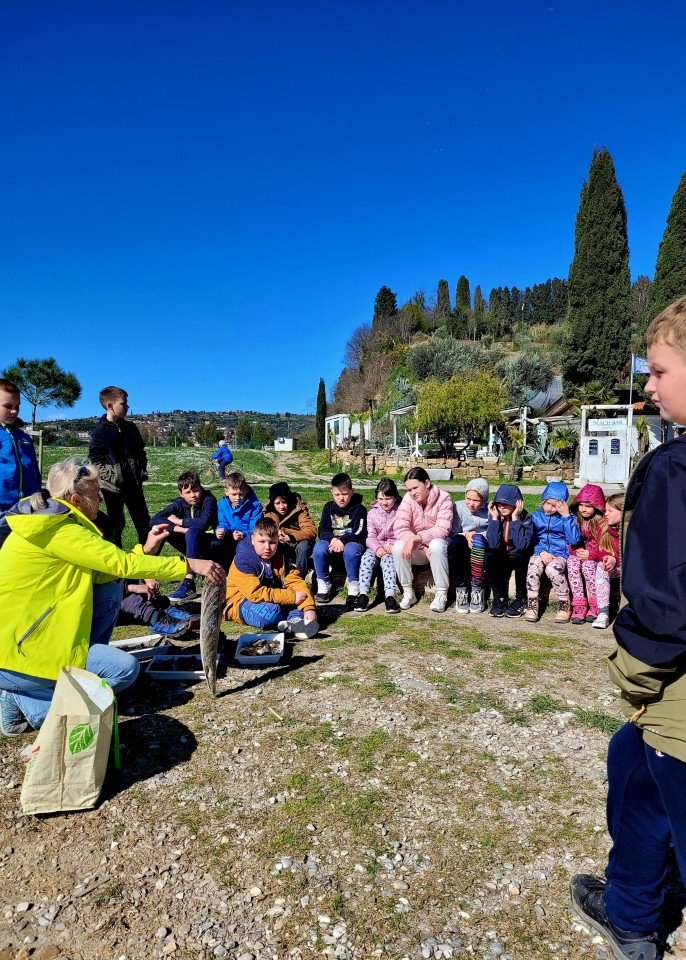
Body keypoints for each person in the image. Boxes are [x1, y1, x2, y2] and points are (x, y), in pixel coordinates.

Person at [570, 297, 686, 960]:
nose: (647, 384)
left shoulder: (675, 470)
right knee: (628, 762)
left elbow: (668, 608)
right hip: (664, 717)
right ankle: (632, 913)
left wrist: (631, 673)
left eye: (661, 371)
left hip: (679, 705)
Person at [0, 457, 224, 736]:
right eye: (96, 493)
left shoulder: (56, 524)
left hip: (35, 637)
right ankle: (27, 700)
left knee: (109, 591)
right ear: (75, 499)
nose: (102, 500)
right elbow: (120, 565)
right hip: (21, 651)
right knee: (125, 670)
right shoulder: (61, 531)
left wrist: (147, 548)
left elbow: (107, 572)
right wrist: (188, 565)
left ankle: (58, 682)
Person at [224, 517, 319, 639]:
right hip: (242, 601)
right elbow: (255, 594)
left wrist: (309, 607)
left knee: (304, 598)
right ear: (253, 539)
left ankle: (295, 620)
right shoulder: (243, 559)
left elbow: (295, 581)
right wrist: (292, 597)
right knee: (269, 614)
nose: (267, 547)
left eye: (272, 542)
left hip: (274, 597)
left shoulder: (281, 553)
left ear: (278, 541)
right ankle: (294, 618)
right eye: (262, 542)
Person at [88, 385, 150, 547]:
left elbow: (141, 452)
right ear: (110, 406)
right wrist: (113, 476)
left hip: (134, 486)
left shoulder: (131, 428)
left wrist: (140, 470)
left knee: (144, 525)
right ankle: (118, 568)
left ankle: (148, 565)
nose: (127, 407)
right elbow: (95, 460)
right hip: (112, 489)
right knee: (116, 525)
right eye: (123, 404)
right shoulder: (100, 431)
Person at [149, 469, 219, 602]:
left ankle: (189, 582)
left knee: (193, 530)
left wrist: (179, 521)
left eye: (196, 490)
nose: (193, 495)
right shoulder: (179, 503)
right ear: (180, 493)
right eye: (188, 492)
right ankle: (147, 573)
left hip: (210, 545)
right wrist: (180, 529)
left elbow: (203, 523)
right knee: (162, 530)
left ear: (201, 488)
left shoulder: (208, 500)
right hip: (191, 542)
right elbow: (155, 519)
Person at [392, 467, 453, 613]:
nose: (412, 493)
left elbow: (442, 529)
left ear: (426, 483)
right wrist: (422, 545)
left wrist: (416, 538)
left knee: (437, 545)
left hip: (438, 550)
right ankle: (408, 592)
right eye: (409, 489)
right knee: (398, 546)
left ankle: (441, 593)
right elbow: (400, 528)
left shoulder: (444, 498)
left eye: (415, 488)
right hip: (421, 551)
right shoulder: (408, 499)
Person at [524, 481, 579, 624]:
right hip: (540, 552)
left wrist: (566, 516)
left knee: (552, 569)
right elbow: (531, 538)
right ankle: (532, 603)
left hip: (560, 554)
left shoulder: (568, 518)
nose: (549, 508)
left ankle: (564, 603)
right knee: (533, 566)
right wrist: (541, 551)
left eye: (555, 505)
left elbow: (573, 540)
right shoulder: (535, 517)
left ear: (563, 504)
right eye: (547, 503)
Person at [313, 472, 367, 609]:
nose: (341, 498)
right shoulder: (328, 507)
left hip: (351, 545)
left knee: (351, 549)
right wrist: (333, 540)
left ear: (352, 491)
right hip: (333, 545)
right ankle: (323, 583)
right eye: (337, 495)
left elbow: (359, 532)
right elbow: (323, 530)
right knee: (319, 548)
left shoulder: (360, 509)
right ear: (332, 493)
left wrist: (342, 540)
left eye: (345, 494)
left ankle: (354, 585)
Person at [0, 378, 42, 550]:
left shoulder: (24, 438)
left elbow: (33, 468)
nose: (14, 411)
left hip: (26, 508)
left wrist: (38, 494)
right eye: (8, 406)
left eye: (17, 406)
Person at [484, 484, 534, 618]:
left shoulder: (526, 518)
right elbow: (493, 544)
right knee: (490, 554)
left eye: (507, 504)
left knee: (521, 554)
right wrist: (494, 519)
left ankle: (520, 600)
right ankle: (499, 599)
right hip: (502, 558)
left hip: (519, 559)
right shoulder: (496, 517)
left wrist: (515, 519)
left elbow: (522, 544)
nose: (502, 507)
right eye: (499, 503)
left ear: (518, 504)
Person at [355, 478, 401, 614]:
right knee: (367, 559)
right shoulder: (372, 514)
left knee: (388, 561)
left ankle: (390, 596)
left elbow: (403, 532)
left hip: (393, 548)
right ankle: (363, 593)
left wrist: (394, 544)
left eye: (388, 498)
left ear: (395, 497)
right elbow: (370, 536)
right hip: (376, 547)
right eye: (381, 498)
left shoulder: (401, 511)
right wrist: (377, 548)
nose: (384, 502)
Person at [567, 484, 607, 625]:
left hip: (594, 558)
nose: (583, 509)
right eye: (581, 505)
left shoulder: (602, 523)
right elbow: (571, 541)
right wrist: (577, 552)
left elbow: (604, 545)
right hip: (579, 554)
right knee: (571, 563)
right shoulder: (576, 519)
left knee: (589, 567)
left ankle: (595, 604)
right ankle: (579, 605)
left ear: (596, 507)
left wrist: (590, 554)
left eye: (588, 506)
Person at [449, 478, 490, 614]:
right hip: (463, 538)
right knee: (456, 544)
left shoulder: (489, 510)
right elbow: (454, 530)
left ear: (484, 499)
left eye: (476, 500)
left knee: (478, 541)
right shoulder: (458, 507)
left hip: (482, 542)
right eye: (468, 499)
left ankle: (477, 588)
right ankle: (461, 588)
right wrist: (466, 534)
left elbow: (493, 530)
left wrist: (479, 535)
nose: (471, 504)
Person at [263, 481, 316, 580]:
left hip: (297, 542)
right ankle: (276, 575)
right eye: (277, 503)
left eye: (284, 502)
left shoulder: (299, 509)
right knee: (273, 545)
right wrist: (275, 534)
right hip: (280, 542)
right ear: (273, 503)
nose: (281, 506)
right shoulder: (268, 512)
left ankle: (300, 577)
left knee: (304, 546)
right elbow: (264, 529)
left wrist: (290, 537)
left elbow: (311, 530)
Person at [215, 471, 264, 568]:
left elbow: (255, 528)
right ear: (226, 491)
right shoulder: (222, 504)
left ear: (246, 490)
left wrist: (244, 534)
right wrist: (221, 529)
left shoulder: (255, 506)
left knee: (244, 547)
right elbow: (222, 522)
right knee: (216, 544)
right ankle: (222, 571)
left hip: (247, 537)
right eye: (234, 494)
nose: (238, 498)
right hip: (230, 536)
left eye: (241, 494)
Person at [591, 493, 624, 630]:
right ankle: (603, 613)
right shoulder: (603, 526)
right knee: (601, 567)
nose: (606, 514)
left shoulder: (633, 529)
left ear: (623, 513)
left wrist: (616, 559)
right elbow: (599, 550)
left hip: (629, 568)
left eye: (610, 511)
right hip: (613, 567)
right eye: (605, 510)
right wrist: (608, 559)